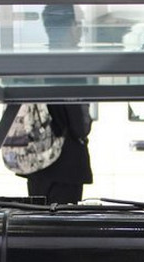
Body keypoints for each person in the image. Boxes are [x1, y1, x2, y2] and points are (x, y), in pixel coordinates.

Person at [21, 6, 92, 204]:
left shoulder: (36, 63)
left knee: (37, 217)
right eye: (79, 24)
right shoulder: (73, 66)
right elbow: (80, 126)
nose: (80, 30)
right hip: (66, 164)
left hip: (36, 161)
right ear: (70, 26)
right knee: (62, 220)